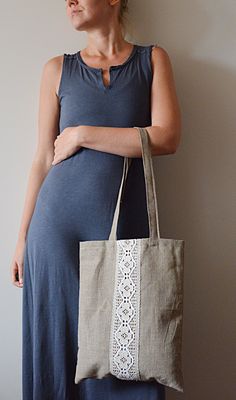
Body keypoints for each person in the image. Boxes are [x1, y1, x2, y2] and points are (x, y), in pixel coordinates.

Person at [10, 0, 181, 399]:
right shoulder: (57, 69)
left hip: (124, 231)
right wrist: (21, 239)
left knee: (128, 354)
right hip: (54, 232)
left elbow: (167, 137)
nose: (69, 1)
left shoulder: (152, 60)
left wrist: (82, 133)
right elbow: (41, 159)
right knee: (58, 352)